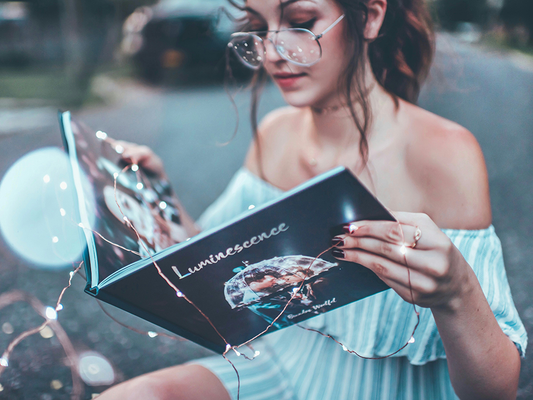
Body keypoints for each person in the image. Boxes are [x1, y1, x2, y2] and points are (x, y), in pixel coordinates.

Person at [98, 0, 527, 399]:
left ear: (370, 16)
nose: (272, 52)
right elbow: (213, 260)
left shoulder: (443, 152)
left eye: (301, 24)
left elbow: (496, 388)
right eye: (259, 29)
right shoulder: (276, 133)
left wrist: (457, 293)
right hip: (280, 367)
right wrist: (159, 198)